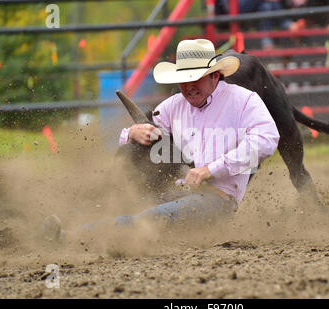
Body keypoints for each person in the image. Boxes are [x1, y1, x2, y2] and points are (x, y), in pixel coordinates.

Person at [43, 39, 280, 241]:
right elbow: (141, 136)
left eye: (194, 79)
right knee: (129, 203)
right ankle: (64, 225)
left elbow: (267, 139)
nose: (187, 87)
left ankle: (70, 238)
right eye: (183, 80)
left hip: (218, 200)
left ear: (215, 76)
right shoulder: (173, 106)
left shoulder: (244, 101)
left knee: (151, 218)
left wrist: (211, 170)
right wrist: (132, 133)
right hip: (178, 192)